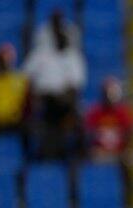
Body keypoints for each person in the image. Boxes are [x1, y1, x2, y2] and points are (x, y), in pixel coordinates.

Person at [23, 10, 86, 159]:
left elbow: (76, 86)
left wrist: (63, 97)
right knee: (41, 111)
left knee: (71, 113)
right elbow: (25, 78)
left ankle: (68, 155)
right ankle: (44, 154)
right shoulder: (40, 55)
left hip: (64, 103)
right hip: (43, 101)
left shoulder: (73, 57)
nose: (60, 37)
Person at [84, 77, 133, 162]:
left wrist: (125, 148)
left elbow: (130, 130)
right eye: (106, 94)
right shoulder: (95, 112)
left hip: (119, 151)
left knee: (129, 158)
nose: (108, 98)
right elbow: (89, 132)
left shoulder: (123, 112)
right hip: (100, 151)